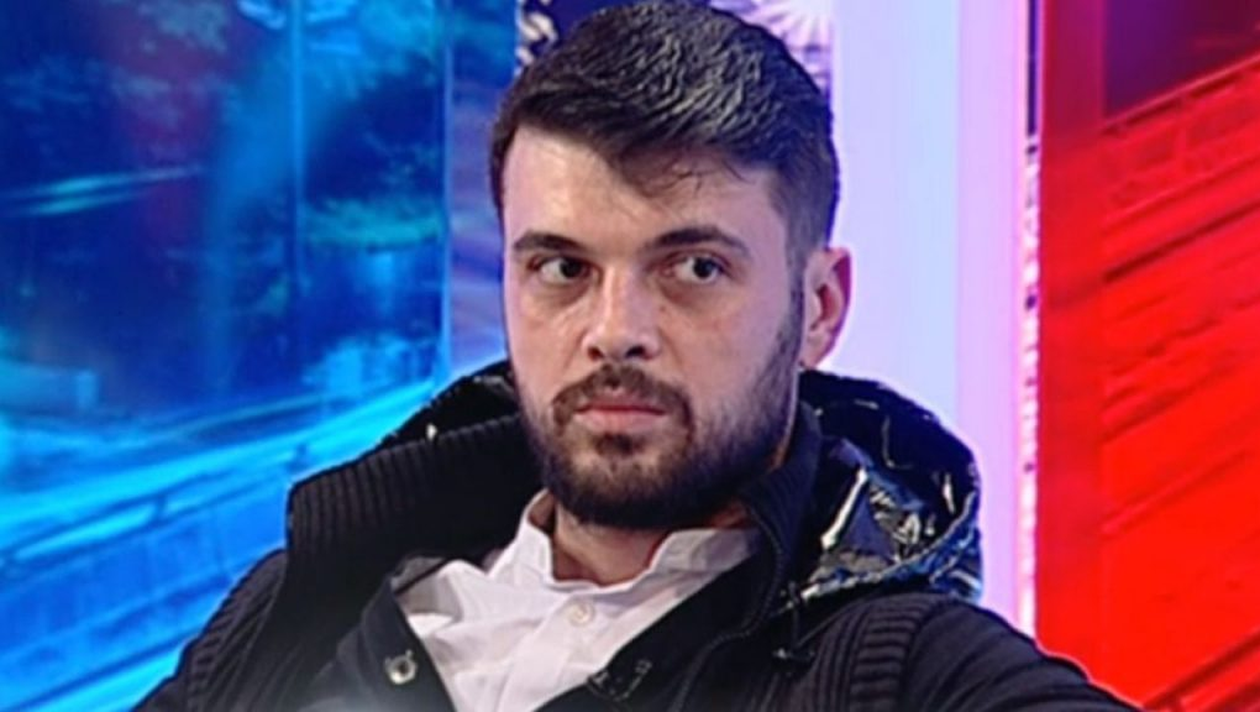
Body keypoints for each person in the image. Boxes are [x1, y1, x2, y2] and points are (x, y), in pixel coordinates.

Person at [141, 2, 1135, 710]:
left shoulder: (900, 669)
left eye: (694, 268)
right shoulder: (310, 593)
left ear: (820, 308)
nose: (615, 328)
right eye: (562, 268)